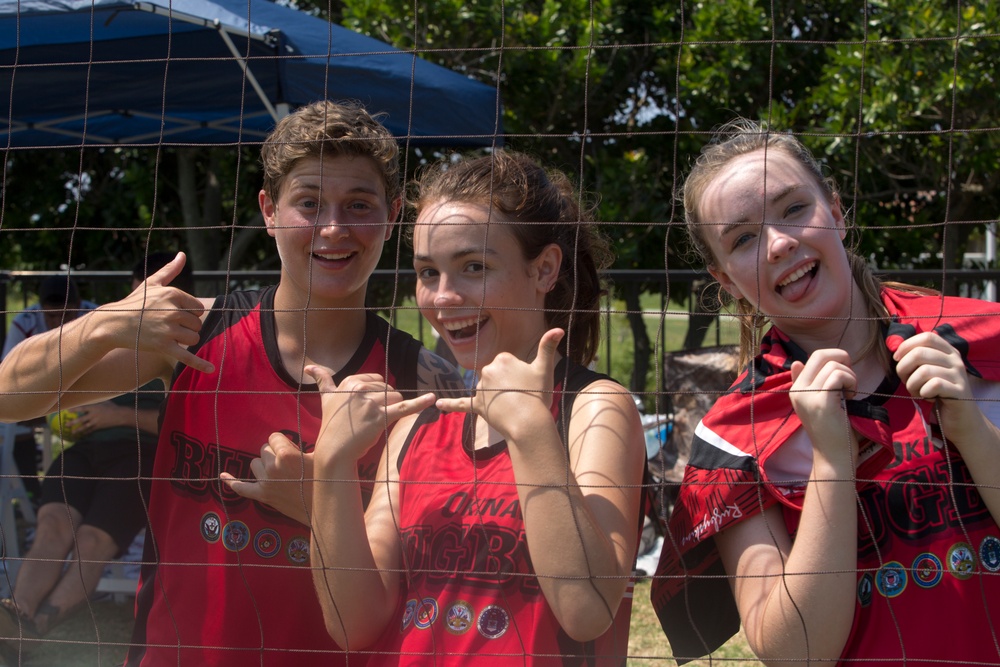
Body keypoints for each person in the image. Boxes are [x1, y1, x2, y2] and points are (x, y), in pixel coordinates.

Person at [0, 100, 461, 666]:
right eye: (309, 203)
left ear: (392, 215)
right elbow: (8, 398)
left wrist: (321, 506)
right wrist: (99, 326)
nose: (334, 228)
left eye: (358, 205)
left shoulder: (422, 382)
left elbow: (423, 576)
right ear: (269, 210)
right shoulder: (197, 333)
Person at [650, 118, 1000, 666]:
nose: (780, 243)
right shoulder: (735, 436)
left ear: (835, 211)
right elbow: (795, 655)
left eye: (794, 208)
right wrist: (832, 464)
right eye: (743, 238)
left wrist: (974, 434)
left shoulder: (983, 343)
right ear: (724, 280)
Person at [304, 150, 646, 664]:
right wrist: (331, 465)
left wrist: (532, 432)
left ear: (545, 269)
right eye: (427, 272)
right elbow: (353, 623)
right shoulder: (418, 425)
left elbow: (587, 609)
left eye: (473, 267)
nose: (443, 298)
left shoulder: (595, 409)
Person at [1, 276, 99, 503]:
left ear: (80, 304)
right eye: (51, 316)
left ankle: (91, 496)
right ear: (40, 310)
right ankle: (33, 495)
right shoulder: (24, 321)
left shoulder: (97, 316)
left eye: (66, 314)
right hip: (37, 390)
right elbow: (9, 371)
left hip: (91, 390)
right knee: (8, 421)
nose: (58, 322)